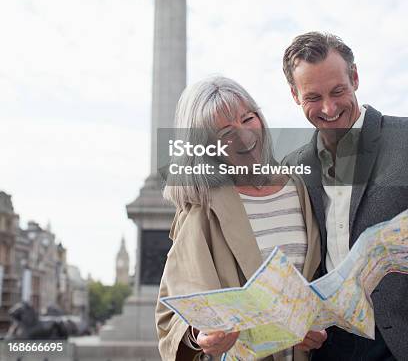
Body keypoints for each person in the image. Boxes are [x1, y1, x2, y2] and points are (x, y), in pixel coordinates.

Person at [156, 76, 326, 361]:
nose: (245, 136)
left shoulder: (299, 187)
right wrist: (200, 337)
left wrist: (316, 324)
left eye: (248, 119)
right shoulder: (200, 209)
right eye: (225, 133)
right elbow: (169, 316)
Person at [282, 32, 408, 361]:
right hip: (327, 344)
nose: (329, 107)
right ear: (295, 95)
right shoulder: (292, 166)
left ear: (354, 77)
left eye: (338, 91)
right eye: (313, 96)